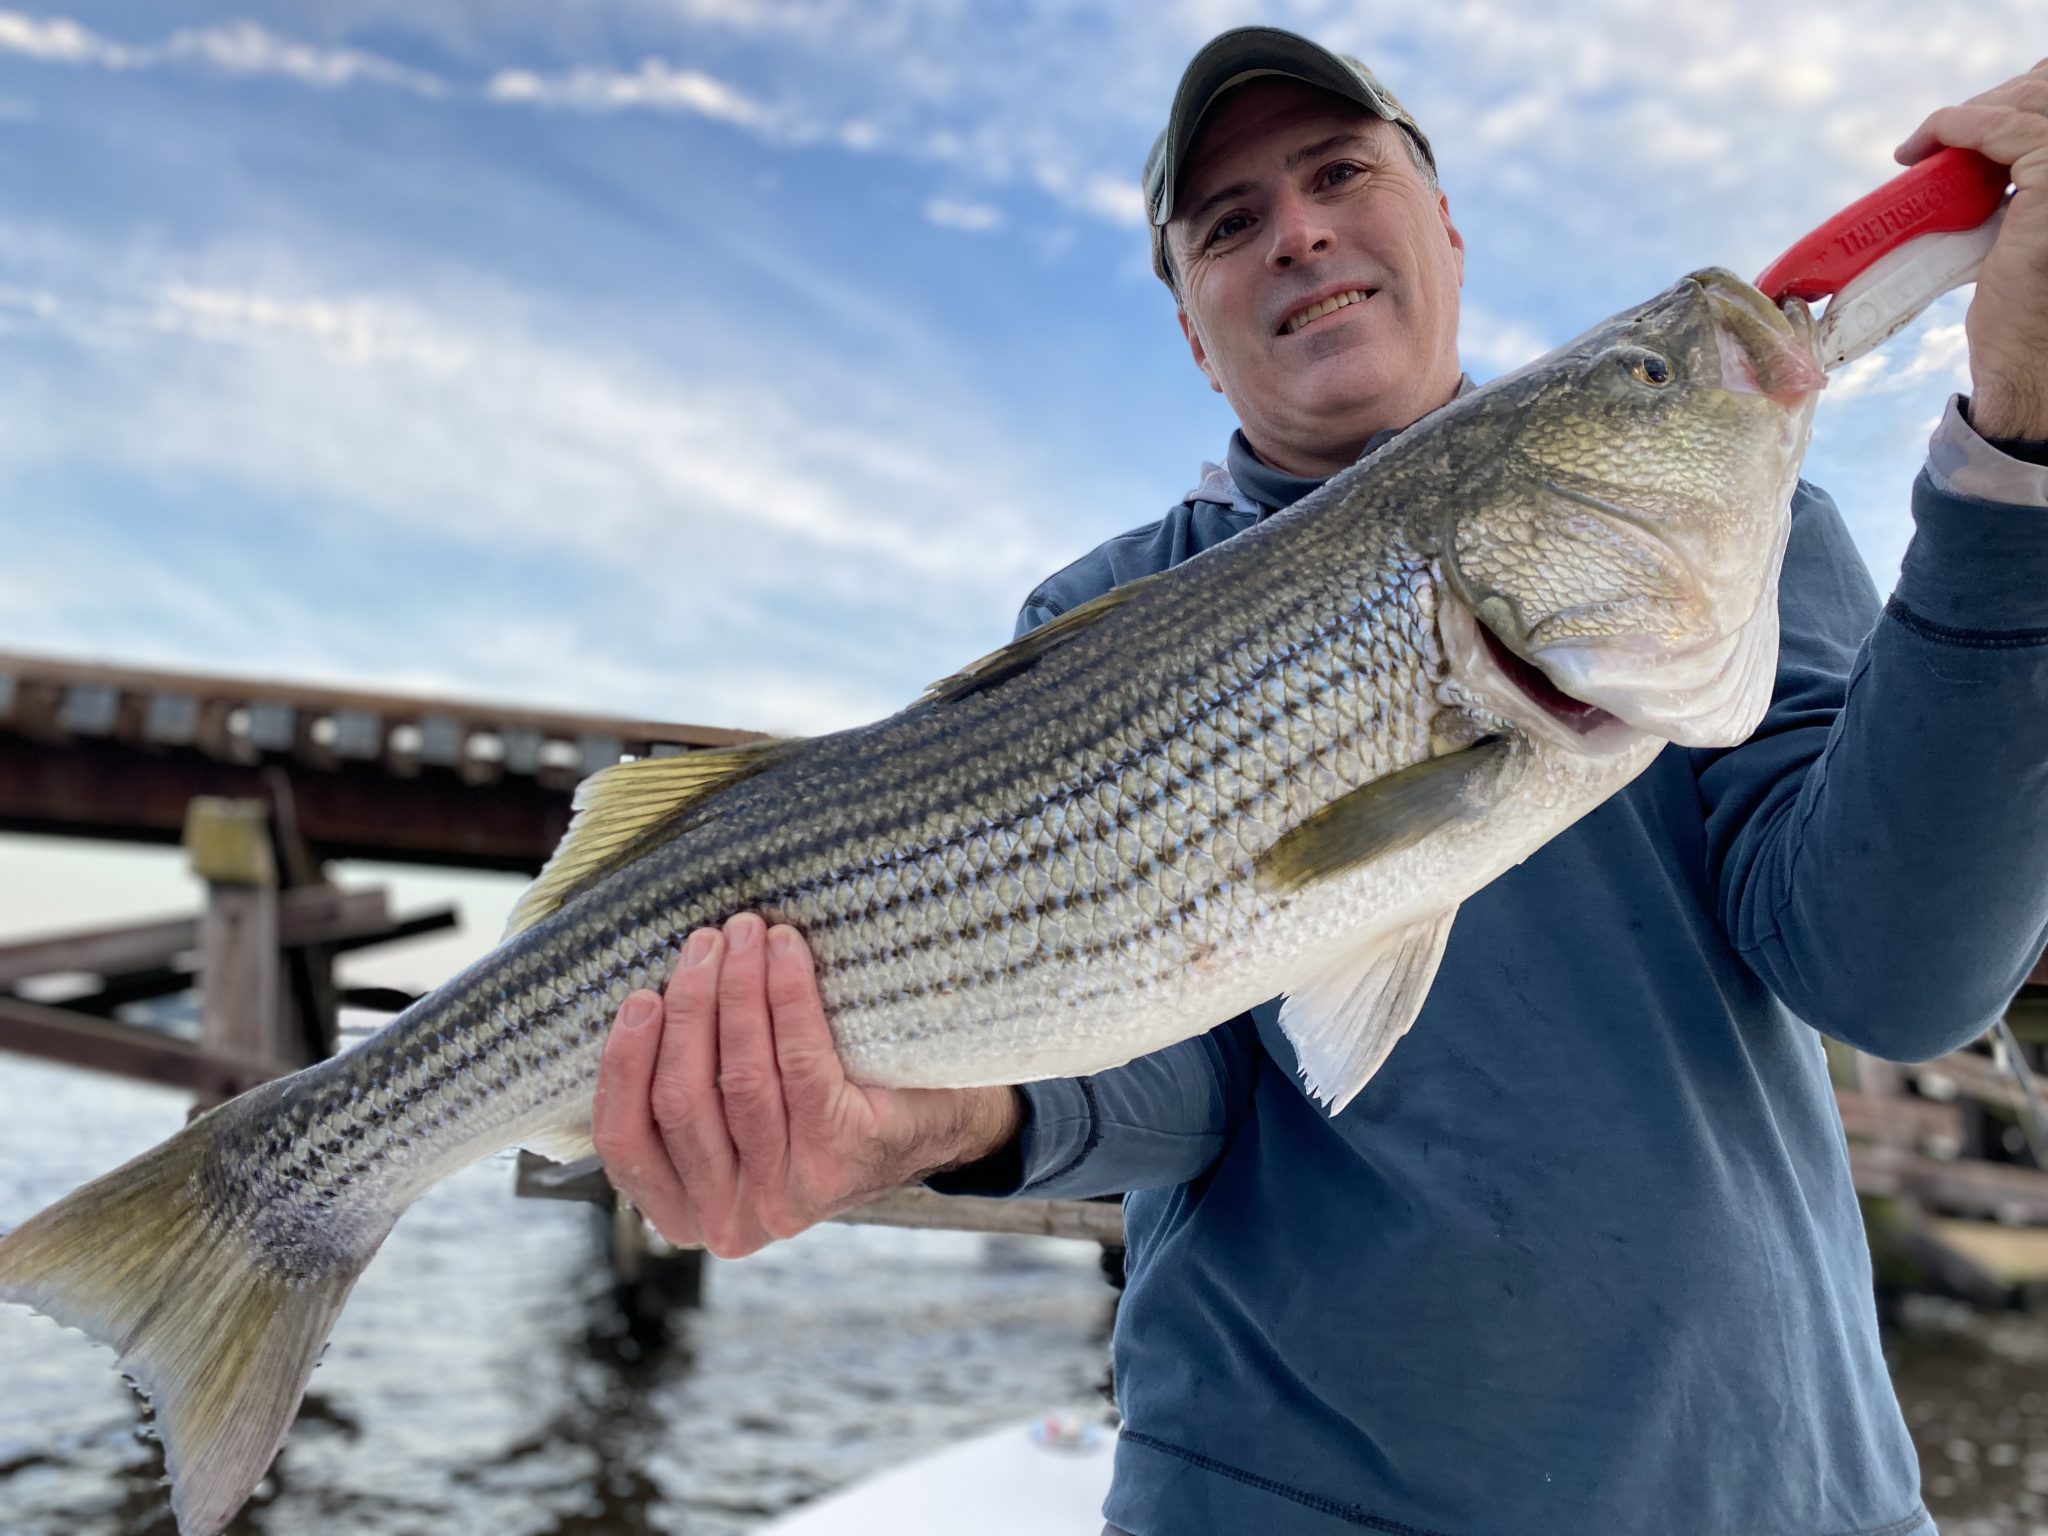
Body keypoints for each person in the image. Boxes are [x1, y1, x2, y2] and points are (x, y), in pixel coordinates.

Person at [588, 26, 2048, 1536]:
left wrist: (2018, 465)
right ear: (1191, 332)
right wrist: (923, 1117)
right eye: (1228, 224)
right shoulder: (1105, 610)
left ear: (1447, 228)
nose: (1297, 232)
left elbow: (1893, 968)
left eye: (1342, 170)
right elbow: (1166, 1049)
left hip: (1783, 1495)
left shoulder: (1745, 537)